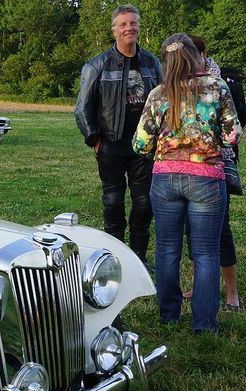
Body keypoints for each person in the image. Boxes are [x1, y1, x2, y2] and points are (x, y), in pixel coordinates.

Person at [132, 33, 241, 332]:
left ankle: (169, 316)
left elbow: (140, 145)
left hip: (165, 179)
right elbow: (233, 135)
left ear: (166, 60)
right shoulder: (217, 88)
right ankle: (204, 324)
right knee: (206, 252)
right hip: (207, 179)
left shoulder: (158, 93)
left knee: (167, 248)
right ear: (196, 56)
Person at [75, 4, 163, 266]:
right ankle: (113, 261)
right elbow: (82, 108)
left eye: (133, 23)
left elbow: (164, 99)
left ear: (139, 27)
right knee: (113, 203)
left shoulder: (152, 63)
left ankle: (137, 260)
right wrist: (94, 138)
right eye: (123, 25)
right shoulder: (97, 65)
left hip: (144, 145)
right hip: (110, 143)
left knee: (144, 203)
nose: (129, 28)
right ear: (114, 30)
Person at [182, 36, 242, 312]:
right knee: (191, 229)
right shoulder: (181, 83)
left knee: (221, 229)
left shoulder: (222, 84)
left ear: (204, 54)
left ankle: (232, 292)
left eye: (194, 53)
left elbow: (234, 131)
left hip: (217, 166)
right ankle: (201, 285)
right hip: (187, 167)